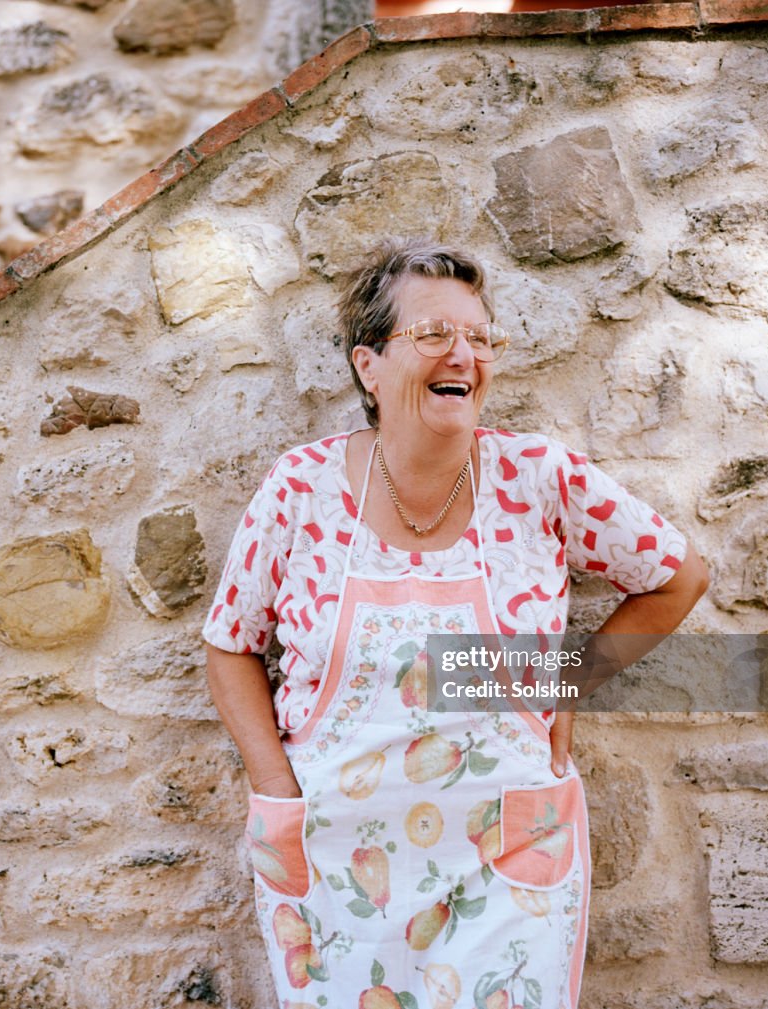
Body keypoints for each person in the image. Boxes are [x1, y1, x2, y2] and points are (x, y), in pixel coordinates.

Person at [203, 238, 708, 1009]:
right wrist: (274, 784)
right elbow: (230, 643)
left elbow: (677, 576)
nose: (463, 354)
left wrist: (568, 680)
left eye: (479, 337)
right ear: (368, 365)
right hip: (337, 865)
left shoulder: (540, 478)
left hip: (502, 857)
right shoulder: (298, 488)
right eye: (434, 333)